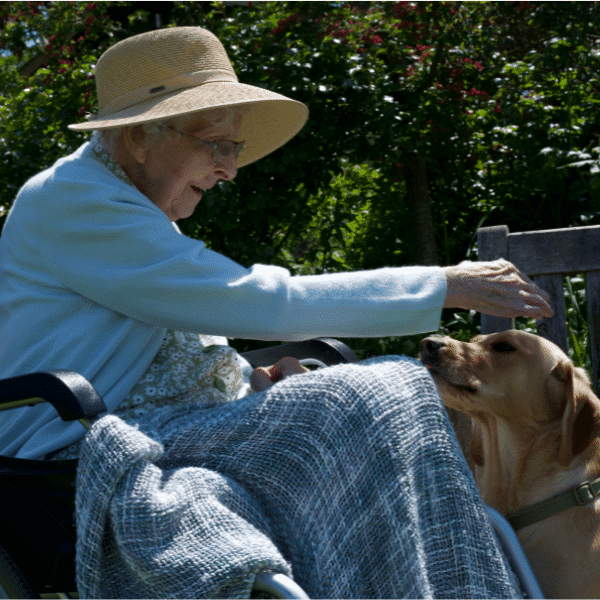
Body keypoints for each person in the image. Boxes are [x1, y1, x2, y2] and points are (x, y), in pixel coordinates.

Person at [0, 27, 552, 598]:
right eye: (215, 143)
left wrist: (251, 379)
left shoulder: (120, 203)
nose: (228, 168)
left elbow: (180, 332)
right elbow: (251, 300)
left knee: (372, 392)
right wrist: (443, 285)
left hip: (142, 424)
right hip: (69, 454)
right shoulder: (74, 202)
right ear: (140, 135)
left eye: (231, 147)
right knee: (379, 391)